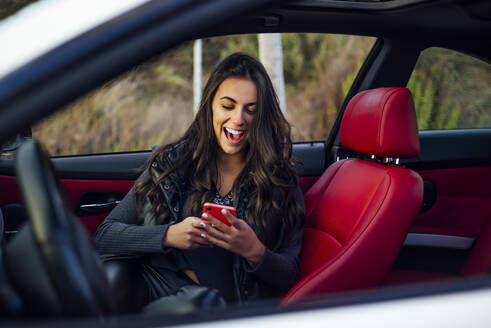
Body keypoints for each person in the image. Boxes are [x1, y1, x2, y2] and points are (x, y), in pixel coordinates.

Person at [93, 53, 305, 307]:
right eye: (228, 106)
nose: (238, 119)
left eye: (251, 110)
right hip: (154, 287)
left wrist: (253, 250)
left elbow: (288, 274)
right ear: (210, 106)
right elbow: (105, 236)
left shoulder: (278, 180)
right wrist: (169, 235)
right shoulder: (174, 162)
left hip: (215, 307)